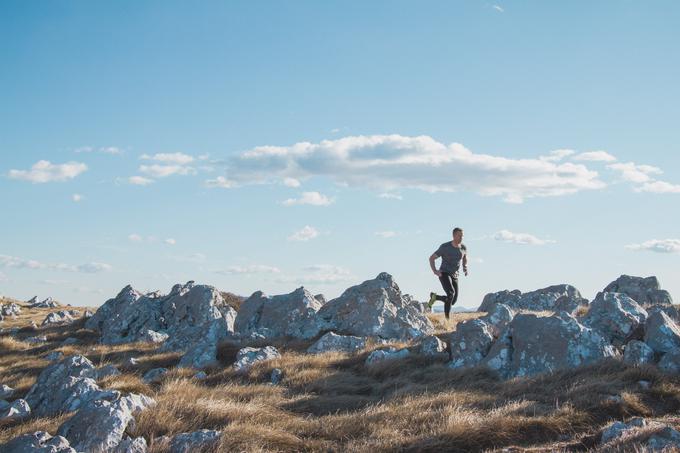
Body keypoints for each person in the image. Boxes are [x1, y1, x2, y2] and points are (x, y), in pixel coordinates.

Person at [427, 227, 468, 319]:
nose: (461, 238)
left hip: (455, 275)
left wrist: (465, 267)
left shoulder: (463, 247)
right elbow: (431, 258)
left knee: (452, 301)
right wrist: (435, 271)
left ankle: (435, 297)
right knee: (450, 293)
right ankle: (447, 320)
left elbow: (465, 257)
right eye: (459, 236)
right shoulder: (445, 247)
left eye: (462, 236)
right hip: (444, 273)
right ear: (453, 236)